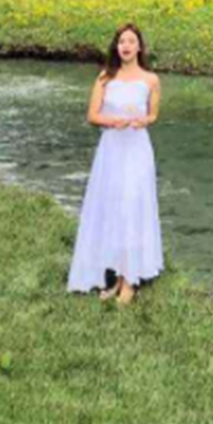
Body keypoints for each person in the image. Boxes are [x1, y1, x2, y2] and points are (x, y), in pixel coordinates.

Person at [67, 23, 164, 304]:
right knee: (113, 208)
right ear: (116, 47)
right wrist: (114, 121)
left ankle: (130, 281)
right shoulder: (104, 78)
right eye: (122, 41)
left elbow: (153, 115)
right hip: (111, 150)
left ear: (140, 47)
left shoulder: (151, 80)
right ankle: (116, 277)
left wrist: (141, 120)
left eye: (131, 41)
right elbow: (92, 115)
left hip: (137, 150)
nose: (126, 46)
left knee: (133, 206)